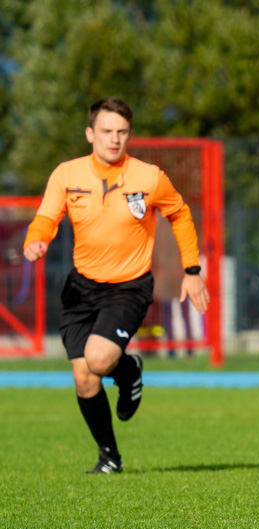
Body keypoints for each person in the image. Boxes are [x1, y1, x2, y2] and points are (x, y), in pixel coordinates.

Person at [23, 97, 210, 474]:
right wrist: (36, 238)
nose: (114, 139)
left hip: (128, 287)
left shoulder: (148, 177)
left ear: (130, 135)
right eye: (106, 131)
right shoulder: (67, 174)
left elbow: (180, 214)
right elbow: (46, 216)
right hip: (80, 288)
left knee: (98, 360)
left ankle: (128, 372)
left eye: (122, 132)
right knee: (83, 379)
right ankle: (109, 457)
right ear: (90, 133)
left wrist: (192, 270)